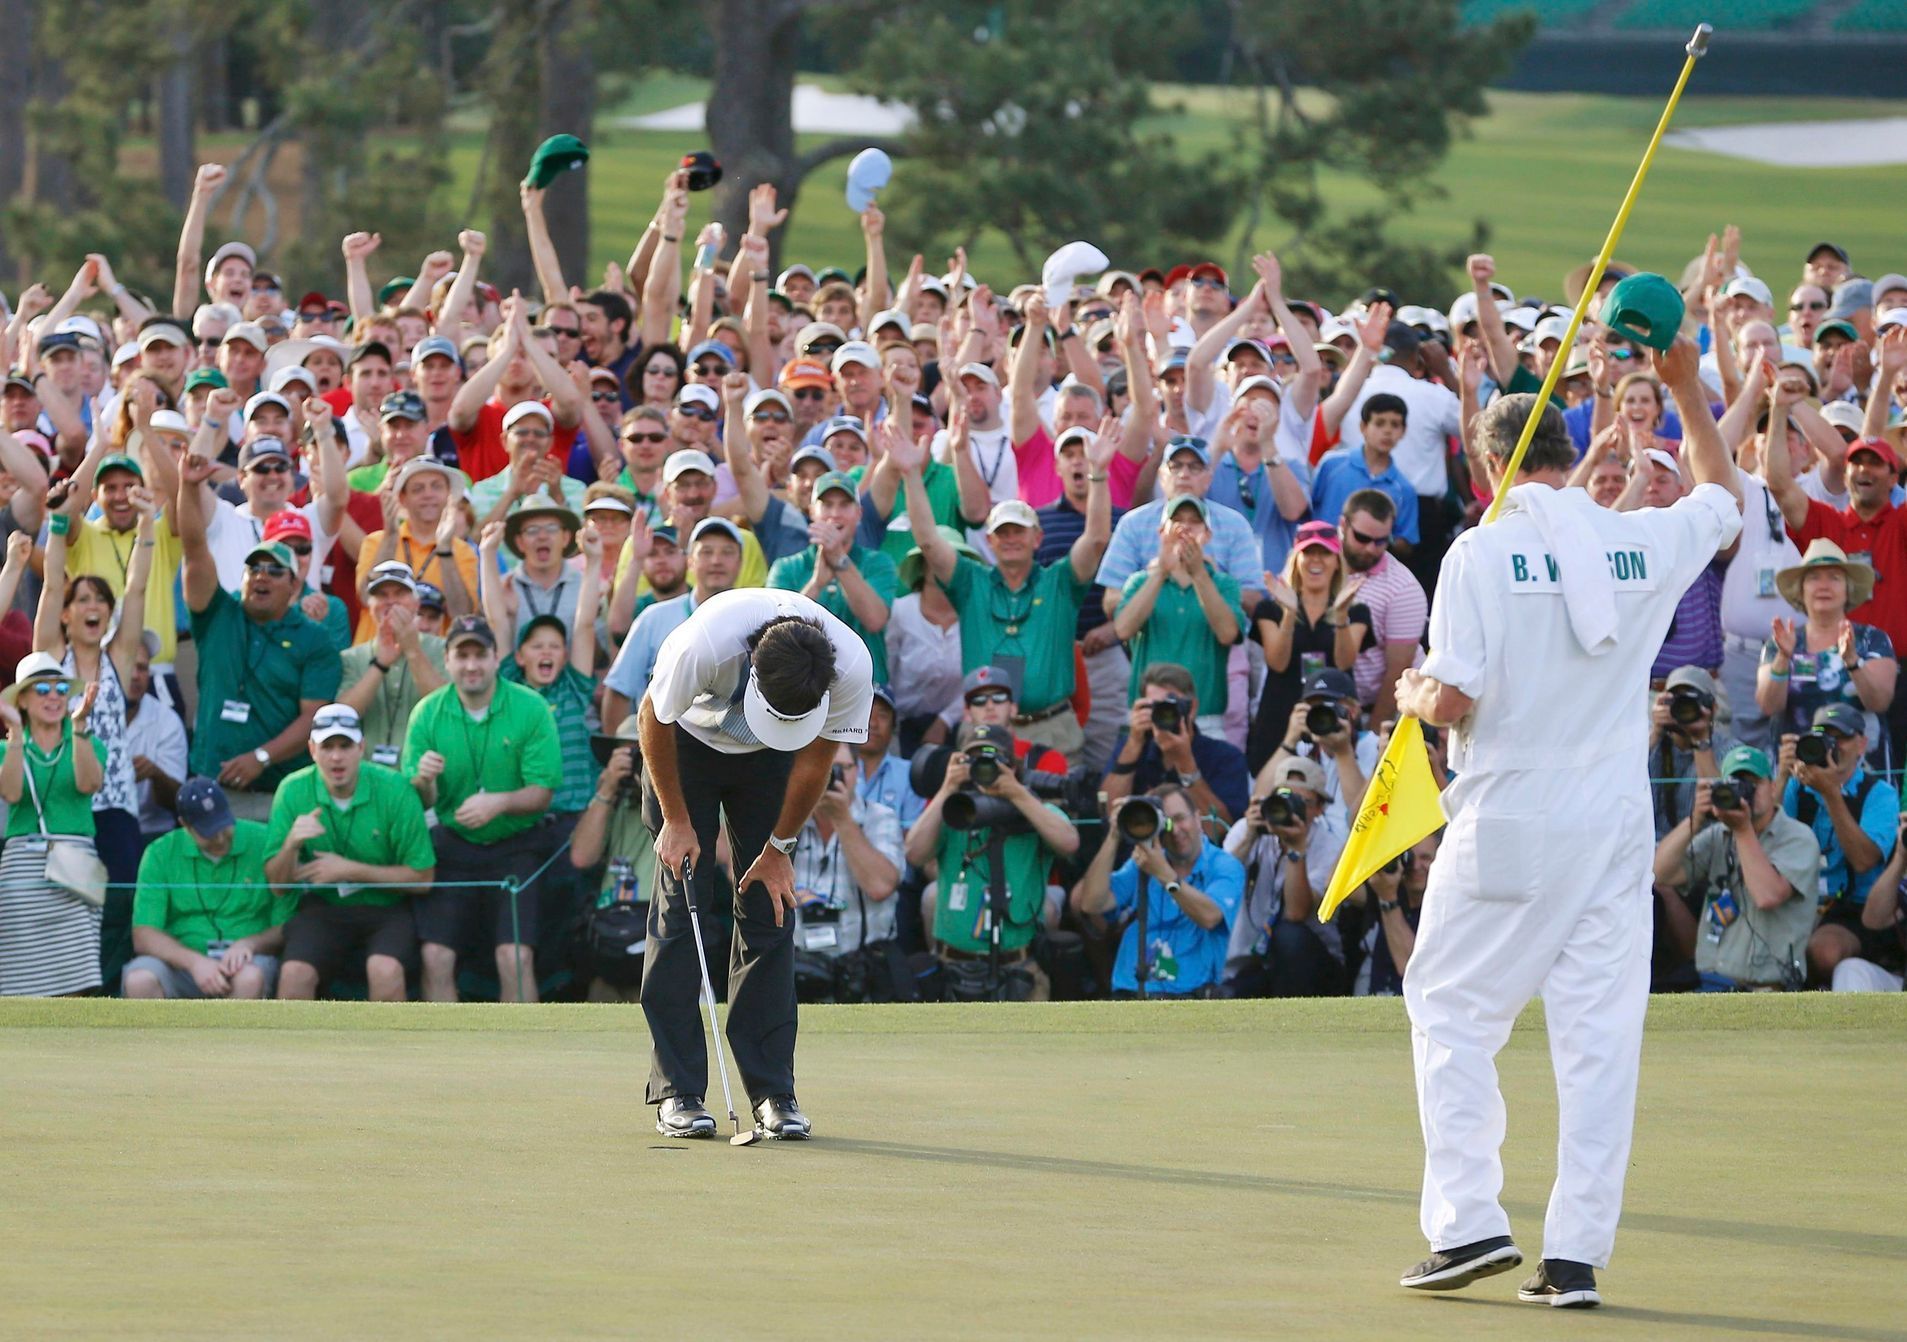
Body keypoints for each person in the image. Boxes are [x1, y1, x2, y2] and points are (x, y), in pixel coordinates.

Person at [1392, 330, 1742, 1308]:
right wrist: (1683, 389)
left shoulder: (1476, 549)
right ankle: (1572, 1259)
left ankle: (1465, 1223)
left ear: (1483, 461)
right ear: (1568, 450)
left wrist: (1410, 693)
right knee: (1596, 1039)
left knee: (1450, 1008)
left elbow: (1452, 699)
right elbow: (1722, 497)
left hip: (1510, 802)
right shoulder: (1636, 533)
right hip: (1613, 817)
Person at [637, 588, 875, 1140]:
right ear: (750, 668)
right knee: (684, 907)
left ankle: (773, 1094)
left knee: (772, 909)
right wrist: (676, 820)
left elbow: (816, 759)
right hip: (684, 746)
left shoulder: (852, 665)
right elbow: (653, 715)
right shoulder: (706, 644)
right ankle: (679, 1092)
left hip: (770, 762)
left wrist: (780, 851)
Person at [898, 419, 1113, 763]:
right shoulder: (971, 582)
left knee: (1054, 814)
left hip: (1053, 731)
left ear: (1037, 538)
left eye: (1020, 531)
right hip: (985, 728)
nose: (1011, 539)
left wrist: (1098, 473)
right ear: (990, 541)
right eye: (1003, 532)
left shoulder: (1059, 582)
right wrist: (910, 474)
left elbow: (1098, 539)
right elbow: (927, 540)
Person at [37, 477, 159, 985]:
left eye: (99, 601)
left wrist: (149, 523)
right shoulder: (51, 658)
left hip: (115, 806)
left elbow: (136, 587)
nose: (93, 606)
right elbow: (48, 582)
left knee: (120, 900)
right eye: (81, 599)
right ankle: (60, 991)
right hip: (64, 802)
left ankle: (106, 989)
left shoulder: (118, 657)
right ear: (66, 614)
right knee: (61, 904)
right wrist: (59, 523)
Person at [404, 616, 564, 1003]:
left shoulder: (530, 707)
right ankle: (446, 1057)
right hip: (452, 844)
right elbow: (420, 802)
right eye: (462, 655)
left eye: (480, 654)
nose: (471, 664)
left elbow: (542, 793)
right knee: (435, 955)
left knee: (514, 956)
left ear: (496, 658)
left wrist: (500, 802)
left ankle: (526, 1057)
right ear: (447, 660)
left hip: (517, 844)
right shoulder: (427, 713)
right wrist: (424, 781)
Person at [177, 451, 342, 820]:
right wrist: (189, 486)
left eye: (274, 570)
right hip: (212, 789)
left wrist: (261, 757)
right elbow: (193, 547)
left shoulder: (315, 640)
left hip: (279, 793)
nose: (262, 575)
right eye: (254, 568)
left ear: (294, 584)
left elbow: (313, 716)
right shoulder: (219, 614)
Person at [270, 704, 436, 1002]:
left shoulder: (396, 789)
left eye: (345, 745)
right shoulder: (292, 790)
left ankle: (386, 1050)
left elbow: (423, 878)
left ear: (361, 747)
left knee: (384, 969)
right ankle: (292, 1049)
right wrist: (290, 845)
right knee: (295, 972)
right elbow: (278, 887)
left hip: (388, 907)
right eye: (327, 746)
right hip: (324, 906)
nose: (336, 756)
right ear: (311, 750)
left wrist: (349, 870)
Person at [904, 723, 1081, 1000]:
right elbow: (914, 853)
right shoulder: (951, 811)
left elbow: (1069, 842)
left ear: (1012, 765)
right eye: (973, 759)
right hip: (952, 967)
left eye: (993, 760)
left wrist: (1016, 792)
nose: (983, 769)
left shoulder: (1035, 811)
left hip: (1020, 969)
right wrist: (948, 787)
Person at [1652, 745, 1820, 992]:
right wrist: (1695, 820)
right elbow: (1660, 874)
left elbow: (1768, 896)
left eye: (1753, 783)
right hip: (1709, 982)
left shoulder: (1798, 838)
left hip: (1766, 989)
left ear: (1773, 787)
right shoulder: (1719, 834)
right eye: (1736, 784)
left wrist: (1742, 829)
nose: (1745, 793)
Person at [0, 653, 109, 996]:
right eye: (42, 689)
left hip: (75, 860)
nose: (54, 696)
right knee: (20, 975)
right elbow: (11, 792)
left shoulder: (89, 741)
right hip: (23, 865)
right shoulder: (6, 749)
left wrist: (79, 728)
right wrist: (16, 733)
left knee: (78, 971)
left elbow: (89, 784)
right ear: (23, 700)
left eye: (61, 688)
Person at [1073, 784, 1245, 998]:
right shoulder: (1143, 864)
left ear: (1198, 819)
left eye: (1180, 818)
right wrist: (1114, 836)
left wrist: (1164, 875)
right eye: (1167, 822)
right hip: (1132, 990)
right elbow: (1092, 903)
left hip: (1191, 994)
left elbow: (1210, 916)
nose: (1175, 830)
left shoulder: (1224, 865)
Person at [124, 777, 288, 999]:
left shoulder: (264, 839)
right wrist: (194, 962)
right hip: (182, 963)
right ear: (185, 825)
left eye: (223, 825)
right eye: (209, 832)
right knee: (139, 980)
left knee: (249, 978)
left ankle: (233, 1036)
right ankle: (160, 1036)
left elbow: (285, 926)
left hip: (246, 960)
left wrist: (250, 944)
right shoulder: (160, 852)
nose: (220, 839)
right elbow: (144, 934)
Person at [1779, 702, 1901, 988]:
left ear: (1862, 744)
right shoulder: (1798, 786)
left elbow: (1864, 860)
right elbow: (1767, 838)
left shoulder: (1879, 794)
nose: (1832, 745)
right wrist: (1781, 777)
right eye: (1823, 736)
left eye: (1841, 737)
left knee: (1825, 951)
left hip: (1856, 908)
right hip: (1796, 899)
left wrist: (1831, 793)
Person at [1757, 540, 1896, 769]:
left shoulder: (1872, 639)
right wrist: (1783, 658)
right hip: (1796, 774)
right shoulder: (1780, 643)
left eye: (1834, 577)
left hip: (1862, 775)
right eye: (1813, 577)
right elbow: (1768, 706)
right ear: (1801, 591)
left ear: (1847, 590)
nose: (1824, 585)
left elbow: (1879, 702)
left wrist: (1852, 661)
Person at [1112, 495, 1246, 728]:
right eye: (1177, 521)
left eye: (1194, 522)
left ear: (1207, 535)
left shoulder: (1224, 584)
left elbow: (1227, 634)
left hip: (1203, 718)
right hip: (1147, 716)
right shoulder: (1139, 582)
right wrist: (1161, 572)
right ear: (1162, 532)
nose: (1185, 527)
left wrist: (1199, 575)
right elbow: (1123, 629)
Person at [1219, 756, 1347, 997]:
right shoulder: (1247, 830)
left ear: (1320, 808)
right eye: (1284, 799)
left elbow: (1297, 913)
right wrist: (1249, 837)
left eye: (1303, 802)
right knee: (1228, 994)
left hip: (1312, 963)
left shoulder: (1329, 846)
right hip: (1255, 962)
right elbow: (1220, 885)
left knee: (1289, 935)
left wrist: (1297, 850)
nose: (1291, 808)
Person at [1249, 520, 1369, 775]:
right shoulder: (1270, 609)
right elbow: (1277, 662)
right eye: (1308, 552)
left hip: (1335, 721)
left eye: (1325, 553)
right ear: (1296, 559)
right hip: (1280, 719)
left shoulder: (1356, 610)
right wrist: (1289, 614)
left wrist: (1340, 617)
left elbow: (1345, 661)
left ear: (1337, 560)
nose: (1317, 560)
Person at [788, 744, 904, 991]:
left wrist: (842, 819)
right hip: (798, 967)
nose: (830, 777)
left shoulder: (880, 817)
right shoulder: (786, 819)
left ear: (857, 771)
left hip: (864, 970)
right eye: (823, 768)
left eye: (840, 768)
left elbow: (880, 886)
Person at [569, 715, 657, 1002]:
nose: (636, 763)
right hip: (611, 926)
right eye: (629, 754)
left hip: (657, 919)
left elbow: (719, 851)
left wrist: (660, 787)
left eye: (643, 754)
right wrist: (606, 790)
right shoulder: (610, 799)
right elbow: (581, 857)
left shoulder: (682, 796)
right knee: (601, 994)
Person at [1101, 663, 1251, 828]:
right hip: (1138, 850)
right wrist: (1133, 743)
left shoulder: (1225, 757)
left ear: (1192, 708)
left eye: (1170, 705)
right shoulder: (1130, 749)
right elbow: (1109, 815)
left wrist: (1185, 764)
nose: (1163, 714)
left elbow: (1219, 829)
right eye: (1155, 707)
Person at [336, 561, 449, 766]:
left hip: (426, 772)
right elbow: (343, 717)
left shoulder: (444, 650)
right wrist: (380, 664)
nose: (390, 601)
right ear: (370, 607)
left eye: (399, 593)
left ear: (416, 604)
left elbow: (447, 707)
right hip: (366, 773)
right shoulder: (351, 658)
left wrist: (413, 651)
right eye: (382, 595)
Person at [1338, 490, 1426, 727]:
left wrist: (1373, 734)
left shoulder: (1403, 588)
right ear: (1343, 525)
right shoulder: (1320, 562)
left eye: (1380, 541)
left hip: (1382, 707)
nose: (1370, 549)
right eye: (1362, 538)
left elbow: (1398, 671)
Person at [123, 632, 188, 838]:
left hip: (152, 833)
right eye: (127, 665)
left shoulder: (167, 721)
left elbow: (177, 802)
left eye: (142, 668)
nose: (135, 675)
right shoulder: (84, 715)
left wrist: (156, 773)